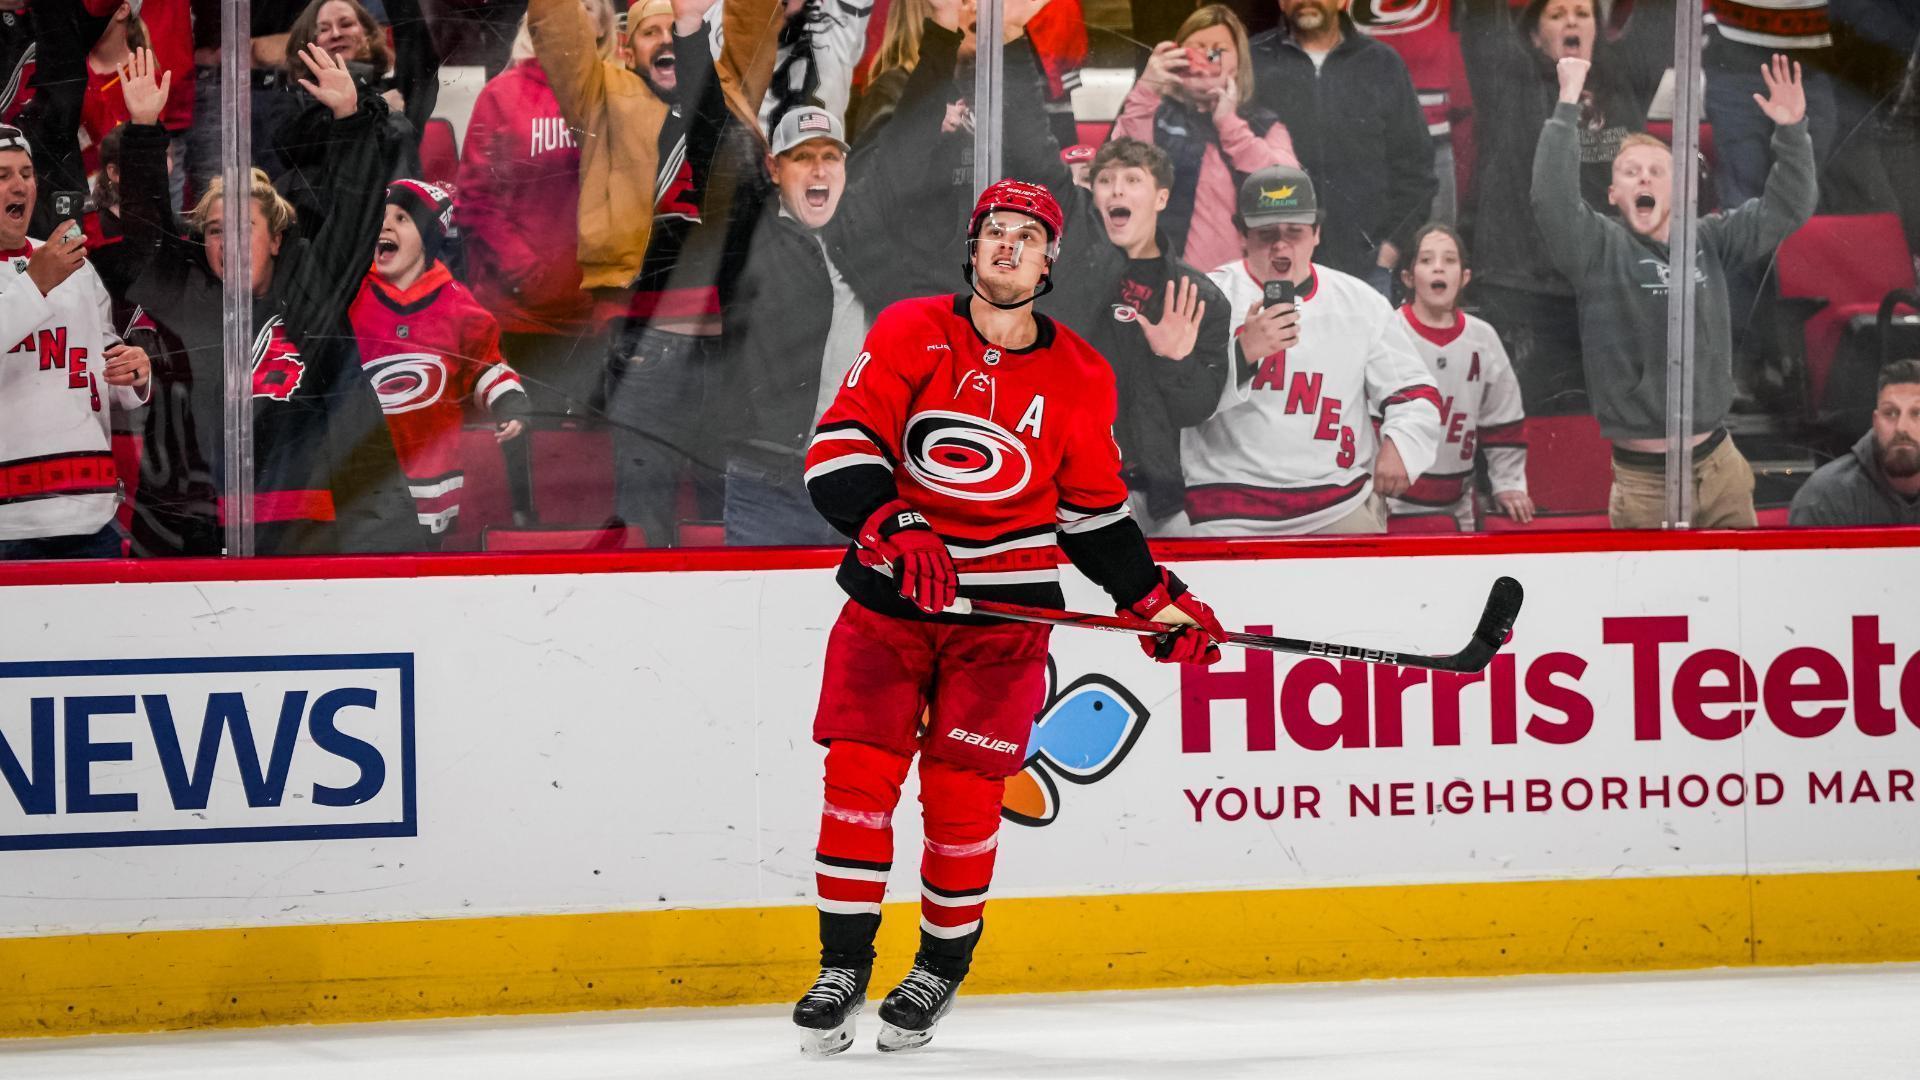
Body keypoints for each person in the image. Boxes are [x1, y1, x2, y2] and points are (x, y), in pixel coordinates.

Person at [789, 178, 1228, 1056]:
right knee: (858, 784)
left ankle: (939, 967)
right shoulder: (911, 330)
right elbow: (840, 447)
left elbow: (1093, 516)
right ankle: (843, 965)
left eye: (1027, 235)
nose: (1007, 246)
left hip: (1003, 621)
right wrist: (895, 522)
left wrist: (1154, 600)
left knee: (960, 800)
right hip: (889, 603)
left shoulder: (1081, 375)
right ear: (972, 245)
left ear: (1050, 259)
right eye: (994, 231)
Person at [119, 43, 423, 555]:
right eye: (216, 231)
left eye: (245, 229)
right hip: (205, 530)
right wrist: (145, 132)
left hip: (308, 530)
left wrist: (348, 119)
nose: (229, 242)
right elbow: (145, 236)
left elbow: (353, 214)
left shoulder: (313, 282)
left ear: (278, 239)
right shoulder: (191, 296)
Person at [1534, 54, 1814, 530]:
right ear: (1612, 195)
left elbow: (1789, 206)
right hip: (1645, 482)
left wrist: (1792, 130)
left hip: (1721, 465)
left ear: (1681, 190)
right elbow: (1551, 198)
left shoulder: (1710, 239)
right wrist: (1566, 103)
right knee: (1652, 605)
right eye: (1630, 171)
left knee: (1736, 601)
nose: (1644, 177)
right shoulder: (1598, 247)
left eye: (1657, 171)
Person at [1181, 165, 1443, 535]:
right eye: (1266, 233)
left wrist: (1401, 444)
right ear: (1241, 233)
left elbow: (1415, 393)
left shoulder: (1361, 302)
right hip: (1229, 504)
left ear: (1317, 233)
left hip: (1338, 501)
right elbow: (1180, 400)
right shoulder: (1207, 295)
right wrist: (1242, 353)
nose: (1281, 245)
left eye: (1295, 232)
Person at [1459, 0, 1663, 415]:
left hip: (1604, 287)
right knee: (1523, 423)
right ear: (1533, 36)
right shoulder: (1509, 80)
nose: (1571, 20)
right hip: (1525, 287)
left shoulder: (1623, 78)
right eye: (1556, 14)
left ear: (1598, 30)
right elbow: (1483, 22)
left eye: (1582, 13)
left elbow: (1663, 19)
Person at [714, 107, 893, 546]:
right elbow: (708, 138)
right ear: (774, 169)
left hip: (857, 476)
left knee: (852, 615)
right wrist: (692, 37)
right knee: (758, 616)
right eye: (802, 156)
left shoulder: (866, 240)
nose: (819, 168)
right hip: (769, 480)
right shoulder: (748, 237)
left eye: (831, 156)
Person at [349, 179, 531, 543]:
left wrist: (510, 404)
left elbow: (486, 367)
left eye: (402, 218)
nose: (385, 225)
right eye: (380, 216)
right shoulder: (352, 293)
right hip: (363, 478)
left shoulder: (457, 306)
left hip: (432, 479)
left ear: (430, 239)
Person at [0, 123, 151, 560]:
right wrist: (35, 284)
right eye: (3, 175)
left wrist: (132, 374)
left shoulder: (71, 263)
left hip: (90, 514)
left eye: (26, 173)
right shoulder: (51, 266)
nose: (20, 185)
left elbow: (99, 359)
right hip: (7, 527)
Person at [452, 6, 608, 410]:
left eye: (588, 6)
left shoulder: (617, 96)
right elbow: (475, 199)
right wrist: (527, 274)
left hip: (594, 316)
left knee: (588, 460)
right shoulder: (501, 95)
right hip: (517, 311)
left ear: (603, 26)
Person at [1246, 0, 1435, 295]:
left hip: (1366, 272)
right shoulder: (1252, 60)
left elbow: (1416, 169)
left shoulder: (1382, 64)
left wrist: (1389, 250)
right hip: (1273, 267)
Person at [1113, 4, 1298, 274]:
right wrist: (1147, 89)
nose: (1205, 59)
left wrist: (1230, 126)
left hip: (1241, 283)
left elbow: (1289, 186)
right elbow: (1119, 167)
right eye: (1195, 48)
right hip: (1162, 278)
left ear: (1238, 64)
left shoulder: (1261, 122)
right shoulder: (1152, 111)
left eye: (1218, 51)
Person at [1386, 223, 1531, 530]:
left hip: (1458, 506)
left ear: (1464, 277)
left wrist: (1508, 483)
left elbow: (1503, 419)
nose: (1438, 268)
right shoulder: (1388, 333)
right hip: (1388, 506)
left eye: (1449, 260)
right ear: (1408, 278)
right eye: (1426, 260)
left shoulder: (1483, 338)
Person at [1788, 359, 1920, 526]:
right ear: (1875, 421)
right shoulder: (1824, 498)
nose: (1902, 427)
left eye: (1917, 413)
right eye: (1890, 413)